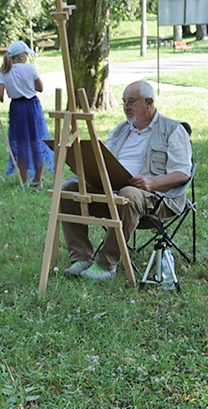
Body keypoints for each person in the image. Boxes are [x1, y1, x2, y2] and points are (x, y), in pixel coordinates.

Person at [61, 80, 192, 281]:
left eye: (131, 102)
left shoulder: (173, 130)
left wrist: (151, 183)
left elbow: (183, 173)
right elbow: (104, 159)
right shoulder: (121, 130)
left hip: (154, 197)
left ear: (149, 102)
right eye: (124, 102)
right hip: (112, 190)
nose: (126, 107)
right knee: (68, 188)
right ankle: (81, 257)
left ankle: (106, 264)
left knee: (129, 194)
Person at [0, 40, 54, 187]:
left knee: (21, 143)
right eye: (26, 54)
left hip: (17, 108)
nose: (27, 57)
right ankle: (37, 180)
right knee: (36, 141)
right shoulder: (30, 69)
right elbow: (40, 88)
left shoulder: (3, 72)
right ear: (21, 56)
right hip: (32, 106)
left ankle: (23, 180)